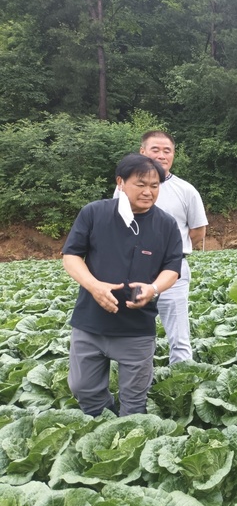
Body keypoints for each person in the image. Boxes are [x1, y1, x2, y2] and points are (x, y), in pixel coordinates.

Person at [63, 153, 183, 417]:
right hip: (91, 321)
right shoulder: (95, 213)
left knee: (134, 400)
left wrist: (152, 289)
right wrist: (94, 286)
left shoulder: (166, 224)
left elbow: (172, 269)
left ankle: (127, 443)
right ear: (120, 182)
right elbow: (71, 256)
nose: (148, 192)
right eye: (140, 184)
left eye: (154, 186)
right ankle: (102, 422)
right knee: (83, 387)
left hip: (136, 327)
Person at [139, 131, 208, 364]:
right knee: (134, 336)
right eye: (155, 149)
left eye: (167, 150)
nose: (161, 155)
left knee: (179, 338)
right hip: (135, 271)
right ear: (143, 152)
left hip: (174, 270)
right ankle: (138, 388)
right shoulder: (126, 188)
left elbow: (197, 232)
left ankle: (181, 386)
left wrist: (170, 253)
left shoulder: (186, 190)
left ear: (174, 155)